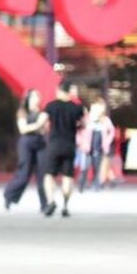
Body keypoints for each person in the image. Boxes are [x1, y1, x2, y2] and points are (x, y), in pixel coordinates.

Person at [3, 90, 50, 213]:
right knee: (24, 172)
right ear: (28, 99)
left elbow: (44, 130)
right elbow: (23, 129)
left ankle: (44, 204)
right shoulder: (23, 112)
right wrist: (38, 124)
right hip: (26, 143)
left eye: (38, 96)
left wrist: (41, 126)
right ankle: (9, 195)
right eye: (34, 96)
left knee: (42, 174)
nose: (37, 98)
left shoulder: (43, 113)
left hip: (40, 143)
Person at [42, 81, 84, 218]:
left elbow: (43, 121)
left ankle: (51, 201)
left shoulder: (51, 106)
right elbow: (83, 124)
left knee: (49, 175)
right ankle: (65, 206)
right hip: (69, 145)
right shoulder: (76, 108)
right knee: (67, 176)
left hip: (54, 144)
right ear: (69, 91)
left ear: (59, 90)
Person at [76, 101, 115, 192]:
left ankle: (96, 185)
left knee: (97, 167)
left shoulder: (105, 120)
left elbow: (111, 132)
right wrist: (80, 142)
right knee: (85, 167)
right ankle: (82, 184)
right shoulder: (87, 119)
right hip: (87, 148)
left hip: (99, 147)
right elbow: (78, 131)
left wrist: (107, 142)